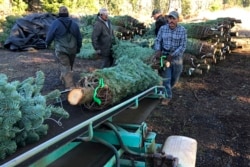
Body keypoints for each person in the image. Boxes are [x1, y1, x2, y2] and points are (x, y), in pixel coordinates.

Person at [153, 11, 187, 105]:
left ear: (177, 20)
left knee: (174, 79)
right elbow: (158, 40)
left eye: (173, 19)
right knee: (166, 78)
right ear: (167, 19)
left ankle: (167, 90)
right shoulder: (163, 29)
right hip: (164, 56)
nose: (171, 21)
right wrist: (158, 50)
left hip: (176, 58)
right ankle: (167, 96)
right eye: (170, 18)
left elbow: (183, 46)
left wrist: (173, 55)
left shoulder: (182, 30)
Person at [45, 6, 82, 89]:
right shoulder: (74, 24)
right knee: (69, 66)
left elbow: (50, 35)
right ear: (67, 14)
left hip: (61, 49)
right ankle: (64, 78)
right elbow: (79, 38)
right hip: (73, 49)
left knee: (66, 66)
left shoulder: (56, 23)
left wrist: (47, 43)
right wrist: (78, 47)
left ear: (59, 14)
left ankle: (70, 86)